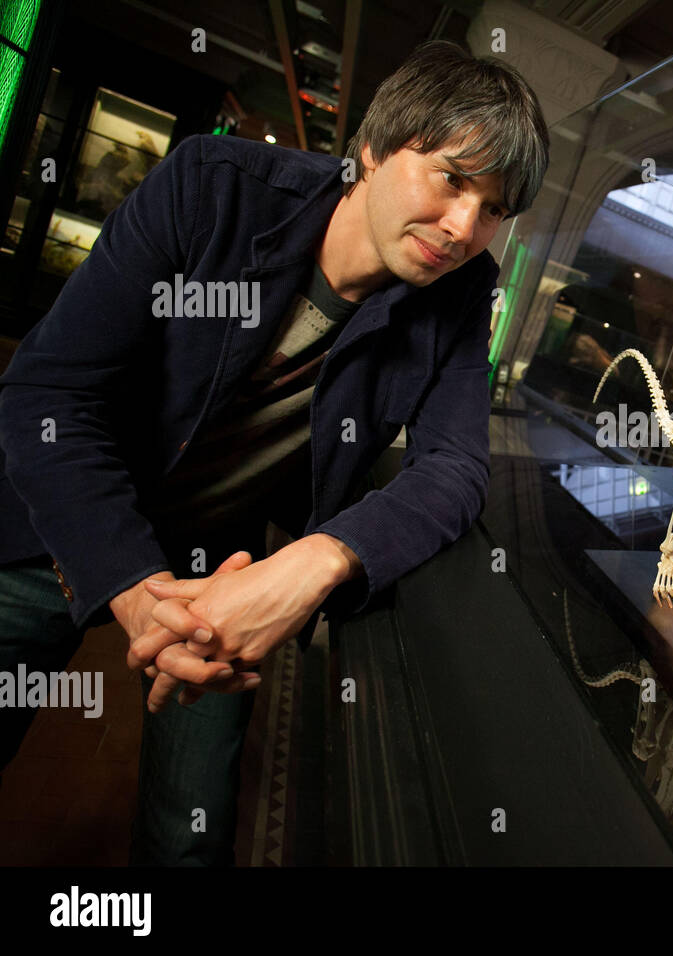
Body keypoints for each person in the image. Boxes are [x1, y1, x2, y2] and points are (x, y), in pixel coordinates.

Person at [0, 39, 549, 865]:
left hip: (223, 571)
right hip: (62, 520)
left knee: (193, 835)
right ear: (371, 149)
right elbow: (50, 395)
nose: (465, 228)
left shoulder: (466, 287)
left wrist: (317, 561)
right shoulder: (209, 185)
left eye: (497, 208)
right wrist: (132, 587)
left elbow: (456, 465)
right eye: (451, 177)